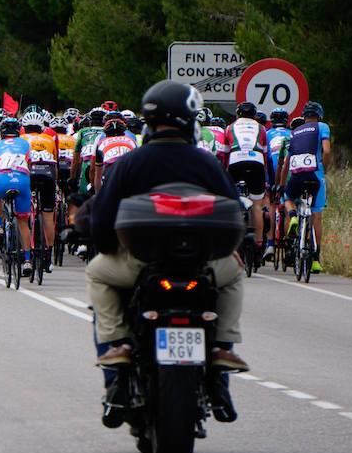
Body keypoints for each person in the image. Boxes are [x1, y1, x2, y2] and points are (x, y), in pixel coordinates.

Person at [86, 80, 248, 427]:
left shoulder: (130, 163)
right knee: (234, 274)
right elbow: (236, 211)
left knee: (97, 272)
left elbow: (101, 219)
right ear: (190, 119)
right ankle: (223, 346)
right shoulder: (205, 163)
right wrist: (231, 250)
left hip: (140, 265)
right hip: (200, 264)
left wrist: (106, 247)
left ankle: (117, 347)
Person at [280, 101, 330, 273]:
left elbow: (286, 162)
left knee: (288, 198)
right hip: (315, 174)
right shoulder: (322, 126)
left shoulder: (295, 132)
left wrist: (281, 184)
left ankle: (293, 215)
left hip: (296, 174)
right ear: (319, 115)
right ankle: (315, 259)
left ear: (304, 116)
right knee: (316, 215)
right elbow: (327, 151)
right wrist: (325, 168)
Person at [0, 117, 33, 272]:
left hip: (2, 179)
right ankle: (28, 260)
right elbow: (29, 167)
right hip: (22, 181)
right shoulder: (26, 144)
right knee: (23, 222)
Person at [226, 101, 269, 258]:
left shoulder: (230, 127)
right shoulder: (262, 128)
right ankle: (258, 243)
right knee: (257, 204)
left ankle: (230, 241)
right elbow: (265, 154)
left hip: (235, 160)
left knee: (230, 200)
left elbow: (225, 153)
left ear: (238, 114)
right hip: (256, 161)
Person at [21, 110, 58, 275]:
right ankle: (49, 256)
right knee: (48, 215)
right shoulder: (49, 139)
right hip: (48, 174)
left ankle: (26, 255)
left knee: (23, 213)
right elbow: (55, 164)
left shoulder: (21, 139)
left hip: (29, 173)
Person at [264, 107, 292, 258]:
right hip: (289, 171)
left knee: (271, 203)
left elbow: (266, 158)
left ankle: (269, 244)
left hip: (273, 169)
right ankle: (288, 243)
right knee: (288, 203)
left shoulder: (267, 134)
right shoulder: (291, 133)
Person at [91, 111, 137, 193]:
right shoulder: (131, 139)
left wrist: (97, 196)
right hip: (128, 171)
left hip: (110, 172)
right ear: (124, 132)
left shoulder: (101, 140)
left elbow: (95, 171)